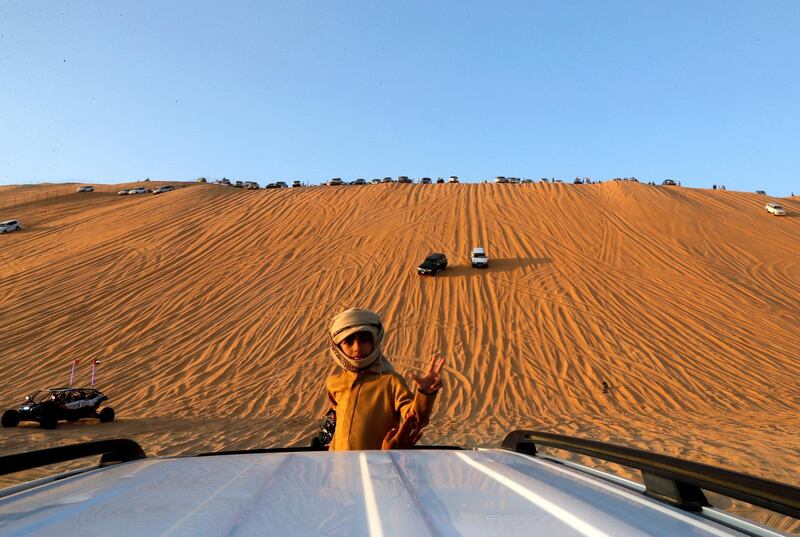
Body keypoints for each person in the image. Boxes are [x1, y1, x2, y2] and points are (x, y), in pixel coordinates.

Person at [324, 308, 444, 450]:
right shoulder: (333, 382)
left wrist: (425, 394)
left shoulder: (391, 382)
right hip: (338, 463)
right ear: (338, 347)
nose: (357, 347)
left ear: (375, 340)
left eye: (364, 339)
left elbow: (414, 420)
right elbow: (336, 415)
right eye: (348, 342)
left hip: (376, 465)